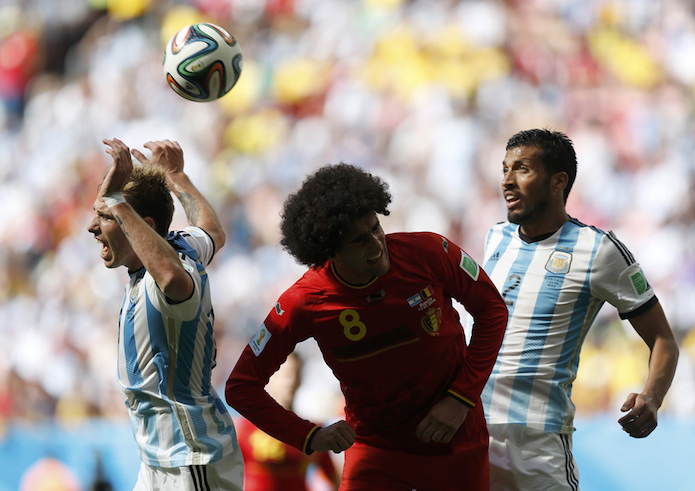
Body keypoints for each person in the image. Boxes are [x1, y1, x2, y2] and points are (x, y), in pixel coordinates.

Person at [225, 163, 509, 491]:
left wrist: (462, 397)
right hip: (377, 451)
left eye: (376, 228)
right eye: (360, 241)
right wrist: (309, 435)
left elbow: (492, 310)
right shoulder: (304, 301)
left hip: (455, 437)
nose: (376, 245)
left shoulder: (429, 252)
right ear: (329, 251)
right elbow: (241, 386)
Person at [481, 128, 680, 490]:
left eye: (522, 169)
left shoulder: (599, 250)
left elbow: (663, 339)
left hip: (538, 439)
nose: (507, 181)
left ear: (558, 181)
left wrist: (652, 397)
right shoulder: (495, 237)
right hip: (474, 430)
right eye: (505, 169)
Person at [87, 138, 244, 491]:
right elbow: (213, 233)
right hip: (158, 461)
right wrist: (175, 175)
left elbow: (172, 279)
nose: (92, 227)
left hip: (192, 461)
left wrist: (118, 202)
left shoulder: (169, 280)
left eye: (105, 216)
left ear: (142, 224)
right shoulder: (182, 245)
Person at [235, 351, 340, 491]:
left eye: (295, 374)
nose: (290, 381)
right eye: (284, 375)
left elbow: (334, 478)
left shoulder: (313, 432)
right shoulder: (243, 429)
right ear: (268, 378)